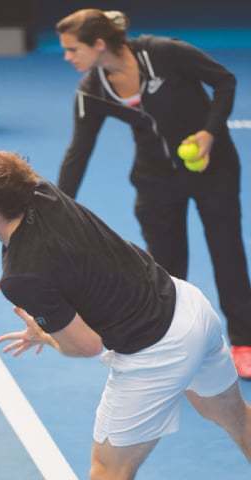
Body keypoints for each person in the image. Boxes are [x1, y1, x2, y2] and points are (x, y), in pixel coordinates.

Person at [0, 142, 251, 478]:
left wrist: (45, 335)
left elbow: (86, 346)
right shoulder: (37, 192)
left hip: (155, 351)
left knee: (108, 470)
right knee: (234, 417)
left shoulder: (22, 276)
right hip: (190, 308)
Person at [54, 8, 251, 377]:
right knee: (165, 266)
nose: (67, 57)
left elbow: (224, 81)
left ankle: (244, 340)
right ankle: (176, 342)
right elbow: (78, 154)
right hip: (155, 178)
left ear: (98, 45)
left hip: (214, 168)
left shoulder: (165, 53)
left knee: (227, 251)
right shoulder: (92, 91)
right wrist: (54, 208)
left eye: (72, 49)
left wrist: (210, 132)